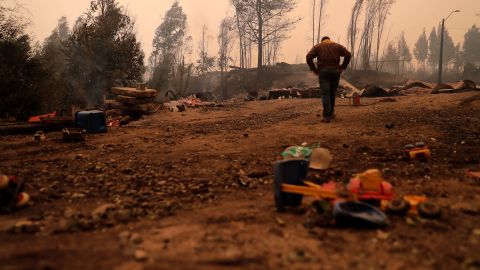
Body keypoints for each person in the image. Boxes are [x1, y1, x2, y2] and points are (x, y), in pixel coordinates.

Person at [306, 36, 351, 123]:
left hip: (323, 72)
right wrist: (342, 67)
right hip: (335, 72)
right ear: (329, 40)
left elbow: (308, 57)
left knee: (325, 93)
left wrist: (314, 70)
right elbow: (348, 54)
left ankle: (327, 116)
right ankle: (331, 113)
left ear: (322, 41)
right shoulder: (337, 46)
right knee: (332, 93)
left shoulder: (318, 46)